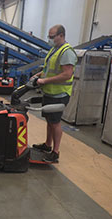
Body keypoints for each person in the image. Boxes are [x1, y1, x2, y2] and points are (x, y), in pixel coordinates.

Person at [32, 25, 77, 163]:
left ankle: (55, 152)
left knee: (56, 123)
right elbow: (48, 69)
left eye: (52, 37)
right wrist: (37, 76)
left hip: (59, 94)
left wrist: (44, 80)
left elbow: (67, 74)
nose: (49, 39)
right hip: (49, 93)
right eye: (49, 36)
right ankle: (47, 145)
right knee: (49, 121)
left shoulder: (66, 52)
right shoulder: (54, 49)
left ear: (61, 36)